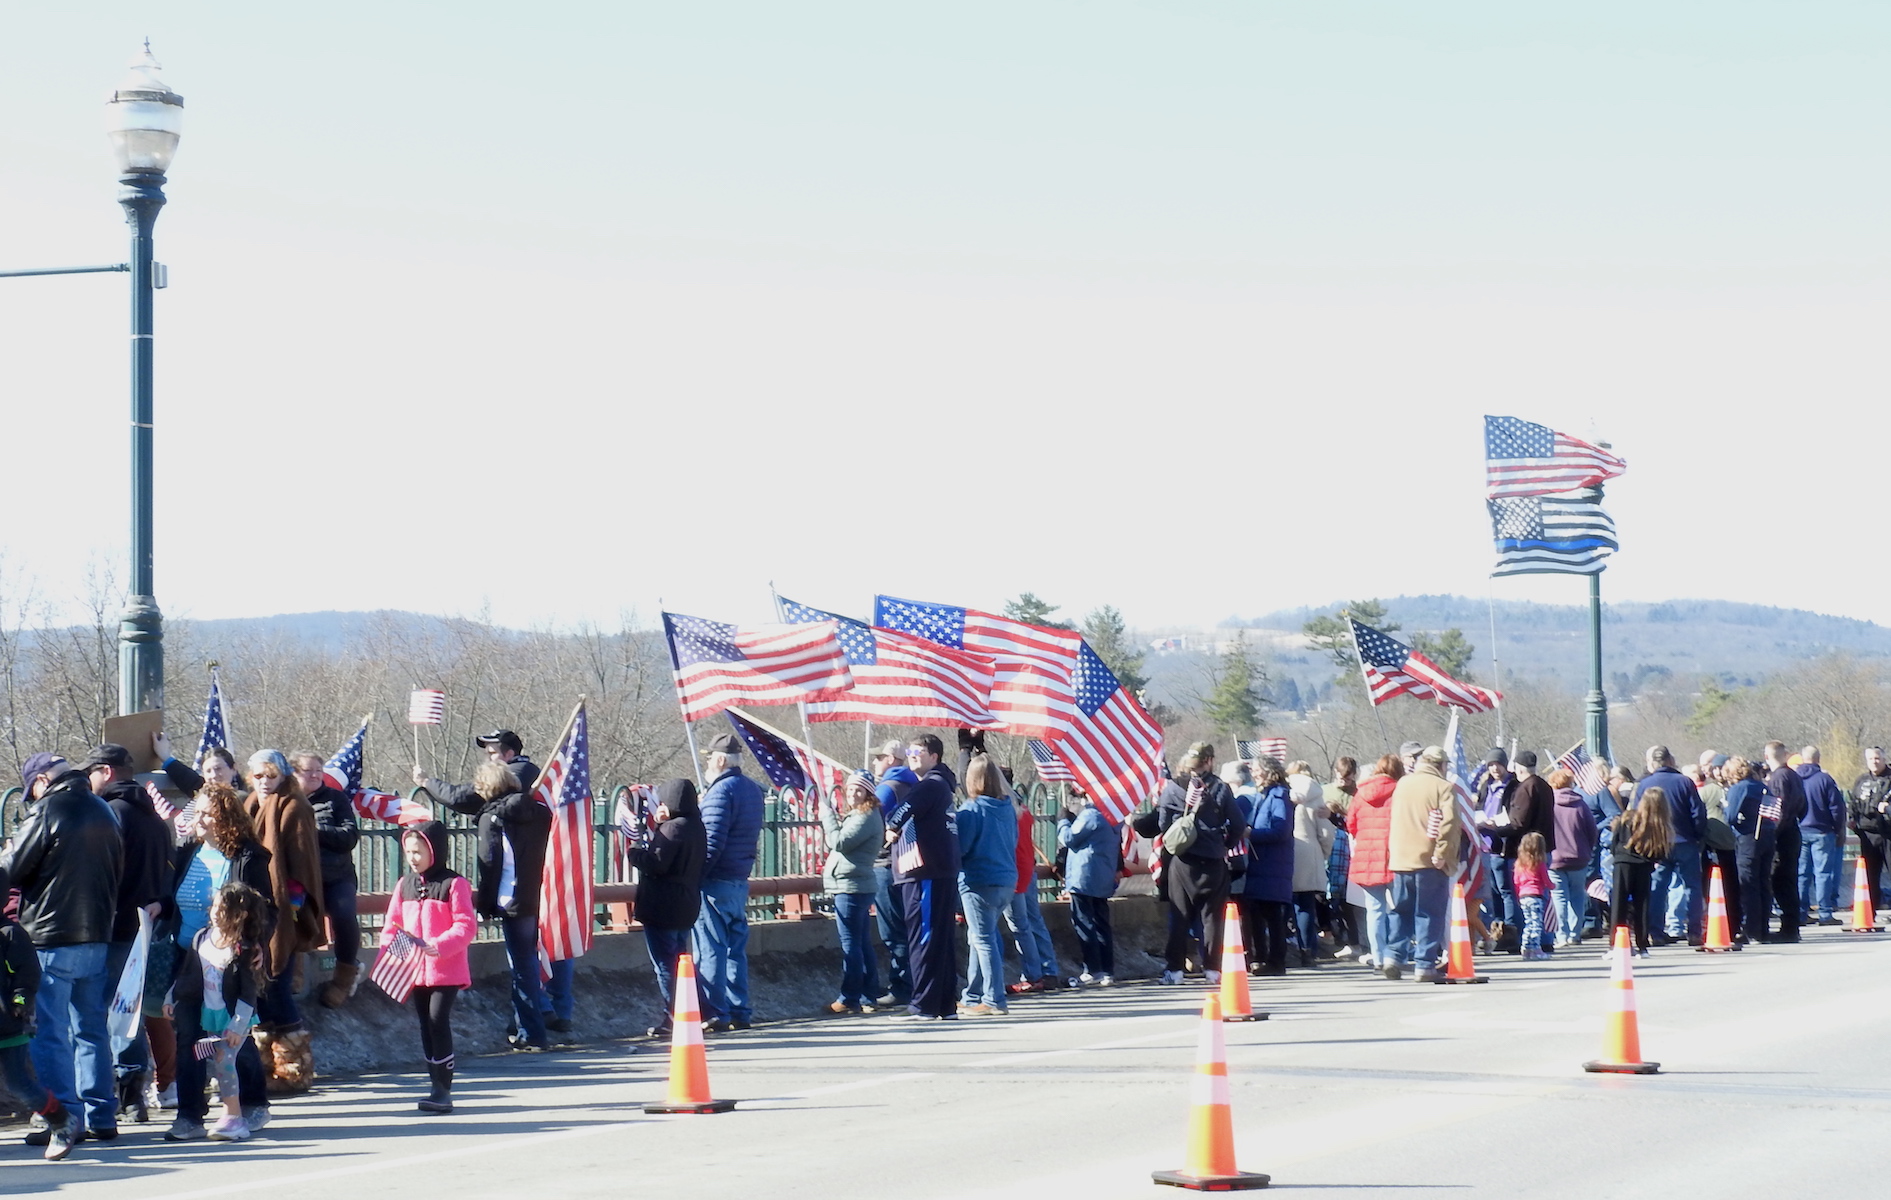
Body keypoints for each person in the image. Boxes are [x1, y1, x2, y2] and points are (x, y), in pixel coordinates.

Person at [2, 753, 123, 1145]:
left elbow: (10, 869)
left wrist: (9, 847)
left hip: (51, 937)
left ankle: (65, 1118)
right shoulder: (105, 810)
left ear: (41, 781)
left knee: (51, 1033)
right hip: (97, 933)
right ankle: (101, 1113)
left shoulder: (46, 810)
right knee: (92, 1030)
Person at [417, 757, 553, 1050]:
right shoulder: (540, 812)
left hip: (509, 897)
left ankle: (532, 1032)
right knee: (529, 962)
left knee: (522, 967)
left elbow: (489, 864)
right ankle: (528, 1023)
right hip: (536, 894)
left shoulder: (492, 818)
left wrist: (486, 905)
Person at [168, 782, 277, 1138]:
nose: (197, 820)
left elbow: (266, 909)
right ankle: (189, 1114)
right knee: (188, 1036)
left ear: (226, 819)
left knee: (234, 1036)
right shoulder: (188, 851)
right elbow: (172, 898)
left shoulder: (247, 858)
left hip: (231, 958)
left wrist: (257, 942)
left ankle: (253, 1104)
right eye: (196, 812)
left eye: (206, 814)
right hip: (189, 957)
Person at [80, 744, 171, 1129]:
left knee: (104, 1015)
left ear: (107, 771)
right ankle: (133, 1096)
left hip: (112, 927)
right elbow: (167, 871)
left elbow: (100, 873)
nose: (87, 782)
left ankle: (117, 1095)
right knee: (128, 1010)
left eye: (90, 774)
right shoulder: (153, 817)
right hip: (143, 927)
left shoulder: (110, 813)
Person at [243, 749, 326, 1093]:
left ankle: (295, 1069)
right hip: (251, 911)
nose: (264, 782)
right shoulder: (249, 804)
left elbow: (302, 865)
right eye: (258, 776)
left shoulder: (295, 807)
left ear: (283, 776)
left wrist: (289, 912)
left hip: (282, 912)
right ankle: (264, 1069)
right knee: (258, 990)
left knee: (277, 986)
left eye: (271, 776)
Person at [381, 821, 477, 1114]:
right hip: (415, 970)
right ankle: (434, 1083)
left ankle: (443, 1088)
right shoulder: (405, 884)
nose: (413, 858)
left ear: (434, 851)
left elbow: (466, 925)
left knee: (438, 1020)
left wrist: (441, 944)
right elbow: (392, 925)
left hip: (445, 970)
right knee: (425, 1023)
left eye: (418, 852)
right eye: (409, 852)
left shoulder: (454, 884)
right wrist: (391, 957)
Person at [167, 882, 270, 1142]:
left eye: (222, 908)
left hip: (234, 1017)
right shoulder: (201, 938)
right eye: (214, 906)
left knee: (226, 1059)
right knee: (204, 1055)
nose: (214, 912)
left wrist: (237, 1024)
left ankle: (234, 1116)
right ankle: (195, 1116)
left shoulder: (243, 948)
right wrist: (172, 997)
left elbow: (248, 992)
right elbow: (188, 973)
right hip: (207, 1013)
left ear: (240, 914)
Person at [0, 862, 78, 1160]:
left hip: (8, 1023)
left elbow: (28, 974)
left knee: (18, 1083)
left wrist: (20, 1001)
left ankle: (61, 1120)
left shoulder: (11, 934)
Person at [1155, 743, 1246, 985]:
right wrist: (1225, 845)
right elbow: (1238, 824)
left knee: (1180, 916)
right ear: (1209, 760)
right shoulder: (1220, 788)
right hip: (1213, 859)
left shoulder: (1172, 787)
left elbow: (1163, 824)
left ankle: (1175, 970)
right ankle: (1213, 970)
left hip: (1183, 859)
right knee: (1212, 918)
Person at [886, 735, 962, 1021]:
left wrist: (891, 826)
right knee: (940, 939)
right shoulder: (940, 785)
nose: (912, 754)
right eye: (910, 750)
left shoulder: (930, 785)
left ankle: (924, 1004)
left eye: (919, 751)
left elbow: (901, 811)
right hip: (940, 869)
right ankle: (944, 1004)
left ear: (934, 757)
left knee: (924, 937)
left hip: (925, 871)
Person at [694, 733, 765, 1032]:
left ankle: (715, 1011)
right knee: (735, 949)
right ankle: (740, 1010)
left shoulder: (720, 792)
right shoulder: (752, 789)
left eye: (710, 758)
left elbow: (712, 842)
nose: (707, 763)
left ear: (721, 760)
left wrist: (695, 875)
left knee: (711, 948)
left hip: (715, 880)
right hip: (738, 878)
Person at [627, 778, 707, 1038]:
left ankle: (673, 1014)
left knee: (665, 964)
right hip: (687, 902)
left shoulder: (673, 828)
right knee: (682, 961)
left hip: (663, 905)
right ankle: (694, 1010)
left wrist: (634, 852)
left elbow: (657, 864)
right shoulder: (695, 826)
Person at [289, 752, 362, 1009]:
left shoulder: (335, 799)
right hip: (300, 877)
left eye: (318, 770)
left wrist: (314, 831)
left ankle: (344, 978)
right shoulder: (287, 800)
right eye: (308, 770)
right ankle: (294, 975)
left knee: (344, 914)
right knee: (291, 912)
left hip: (336, 876)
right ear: (294, 773)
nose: (315, 775)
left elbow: (349, 836)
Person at [1384, 746, 1459, 983]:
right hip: (1429, 860)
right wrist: (1442, 852)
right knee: (1429, 913)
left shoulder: (1402, 784)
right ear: (1441, 765)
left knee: (1401, 911)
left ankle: (1393, 957)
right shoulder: (1443, 787)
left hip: (1400, 859)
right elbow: (1449, 824)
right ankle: (1425, 965)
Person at [954, 755, 1018, 1016]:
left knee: (982, 940)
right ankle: (972, 995)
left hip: (978, 880)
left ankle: (993, 999)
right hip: (1006, 879)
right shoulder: (1007, 808)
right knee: (979, 938)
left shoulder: (971, 810)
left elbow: (961, 848)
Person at [820, 772, 885, 1013]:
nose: (852, 794)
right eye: (849, 789)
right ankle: (868, 995)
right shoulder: (859, 815)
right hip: (853, 885)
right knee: (862, 943)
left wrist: (827, 818)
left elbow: (840, 842)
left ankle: (850, 997)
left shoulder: (866, 816)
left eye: (858, 790)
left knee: (851, 945)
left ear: (868, 793)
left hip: (851, 887)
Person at [1633, 746, 1707, 946]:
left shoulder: (1645, 784)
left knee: (1657, 888)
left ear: (1653, 763)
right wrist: (1697, 835)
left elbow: (1638, 816)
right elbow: (1698, 813)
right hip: (1685, 841)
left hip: (1657, 843)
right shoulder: (1685, 782)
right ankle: (1694, 932)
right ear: (1670, 761)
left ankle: (1655, 932)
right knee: (1692, 887)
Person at [1002, 770, 1060, 996]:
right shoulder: (1022, 809)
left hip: (1014, 871)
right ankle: (1048, 969)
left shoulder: (1005, 811)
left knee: (1020, 926)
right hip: (1027, 868)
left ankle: (1032, 975)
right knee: (1034, 921)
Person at [869, 741, 918, 1009]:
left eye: (878, 758)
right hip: (909, 862)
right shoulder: (914, 785)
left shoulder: (886, 790)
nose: (874, 762)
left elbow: (873, 824)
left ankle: (901, 986)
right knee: (910, 926)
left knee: (893, 930)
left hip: (886, 864)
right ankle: (914, 982)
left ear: (890, 759)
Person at [1058, 787, 1120, 986]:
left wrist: (1063, 821)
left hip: (1084, 876)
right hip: (1103, 876)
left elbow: (1068, 838)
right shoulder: (1114, 817)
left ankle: (1092, 969)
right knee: (1102, 923)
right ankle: (1107, 969)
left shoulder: (1091, 815)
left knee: (1084, 922)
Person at [1346, 755, 1402, 971]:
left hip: (1367, 857)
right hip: (1394, 855)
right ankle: (1396, 955)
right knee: (1399, 908)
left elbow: (1351, 825)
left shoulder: (1360, 793)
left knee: (1374, 910)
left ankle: (1378, 956)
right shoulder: (1399, 791)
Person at [1241, 759, 1295, 976]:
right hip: (1260, 863)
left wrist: (1251, 833)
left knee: (1272, 915)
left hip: (1273, 864)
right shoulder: (1262, 796)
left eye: (1256, 770)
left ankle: (1276, 962)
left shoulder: (1280, 797)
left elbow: (1281, 831)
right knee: (1254, 910)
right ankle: (1260, 958)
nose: (1253, 774)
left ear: (1268, 772)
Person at [1610, 786, 1674, 956]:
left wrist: (1619, 855)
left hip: (1623, 863)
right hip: (1644, 865)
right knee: (1642, 905)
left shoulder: (1628, 818)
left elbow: (1614, 843)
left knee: (1619, 904)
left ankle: (1616, 944)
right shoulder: (1660, 825)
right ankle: (1642, 945)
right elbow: (1661, 852)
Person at [1472, 748, 1521, 953]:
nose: (1494, 769)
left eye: (1498, 764)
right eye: (1491, 765)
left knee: (1506, 891)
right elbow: (1480, 807)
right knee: (1493, 893)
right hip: (1485, 844)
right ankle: (1497, 930)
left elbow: (1514, 815)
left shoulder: (1513, 785)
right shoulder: (1486, 785)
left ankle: (1511, 932)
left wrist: (1497, 824)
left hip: (1504, 844)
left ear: (1505, 765)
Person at [1724, 756, 1777, 944]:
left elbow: (1730, 817)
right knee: (1764, 883)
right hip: (1768, 835)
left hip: (1748, 837)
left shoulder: (1739, 788)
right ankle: (1763, 929)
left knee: (1748, 884)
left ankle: (1752, 931)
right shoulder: (1762, 787)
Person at [1287, 762, 1334, 967]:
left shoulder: (1283, 791)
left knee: (1286, 903)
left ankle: (1288, 947)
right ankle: (1308, 950)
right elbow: (1325, 833)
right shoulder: (1316, 796)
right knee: (1306, 903)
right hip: (1309, 852)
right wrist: (1323, 852)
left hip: (1284, 850)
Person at [1795, 746, 1847, 925]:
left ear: (1802, 758)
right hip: (1822, 831)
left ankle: (1800, 913)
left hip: (1800, 831)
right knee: (1823, 873)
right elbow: (1837, 808)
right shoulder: (1825, 779)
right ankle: (1825, 913)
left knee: (1802, 874)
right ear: (1818, 759)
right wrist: (1837, 828)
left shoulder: (1795, 778)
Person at [1546, 768, 1597, 948]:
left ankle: (1562, 935)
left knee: (1558, 897)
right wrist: (1587, 849)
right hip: (1579, 858)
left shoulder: (1548, 804)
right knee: (1577, 897)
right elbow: (1592, 830)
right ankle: (1575, 934)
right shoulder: (1580, 804)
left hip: (1555, 859)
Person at [1762, 741, 1807, 943]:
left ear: (1767, 756)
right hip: (1793, 830)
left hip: (1783, 834)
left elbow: (1778, 810)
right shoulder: (1794, 776)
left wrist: (1772, 833)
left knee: (1781, 880)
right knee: (1788, 879)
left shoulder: (1778, 778)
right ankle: (1791, 925)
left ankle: (1789, 927)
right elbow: (1803, 806)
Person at [1323, 758, 1361, 960]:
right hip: (1328, 848)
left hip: (1351, 848)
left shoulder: (1359, 794)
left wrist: (1340, 812)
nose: (1343, 782)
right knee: (1328, 895)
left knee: (1349, 900)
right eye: (1340, 777)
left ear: (1354, 775)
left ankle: (1354, 941)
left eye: (1347, 778)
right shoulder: (1325, 791)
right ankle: (1333, 934)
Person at [1849, 747, 1891, 910]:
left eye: (1877, 758)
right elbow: (1853, 803)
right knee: (1870, 876)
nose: (1874, 762)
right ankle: (1870, 911)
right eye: (1871, 759)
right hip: (1868, 834)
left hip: (1888, 833)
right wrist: (1852, 820)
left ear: (1884, 759)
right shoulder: (1861, 780)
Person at [1514, 832, 1552, 960]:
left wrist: (1518, 895)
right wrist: (1552, 886)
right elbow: (1546, 880)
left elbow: (1516, 881)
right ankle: (1536, 949)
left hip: (1523, 896)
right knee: (1536, 923)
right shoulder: (1539, 863)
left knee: (1528, 923)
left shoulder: (1519, 863)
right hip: (1536, 895)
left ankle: (1525, 947)